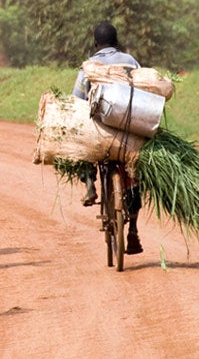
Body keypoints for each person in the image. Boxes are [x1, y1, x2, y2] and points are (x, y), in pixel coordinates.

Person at [73, 22, 143, 255]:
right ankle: (132, 229)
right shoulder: (130, 61)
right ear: (116, 42)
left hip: (100, 130)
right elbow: (143, 88)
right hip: (127, 129)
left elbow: (78, 99)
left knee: (80, 140)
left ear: (95, 44)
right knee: (134, 173)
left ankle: (89, 182)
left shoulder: (89, 66)